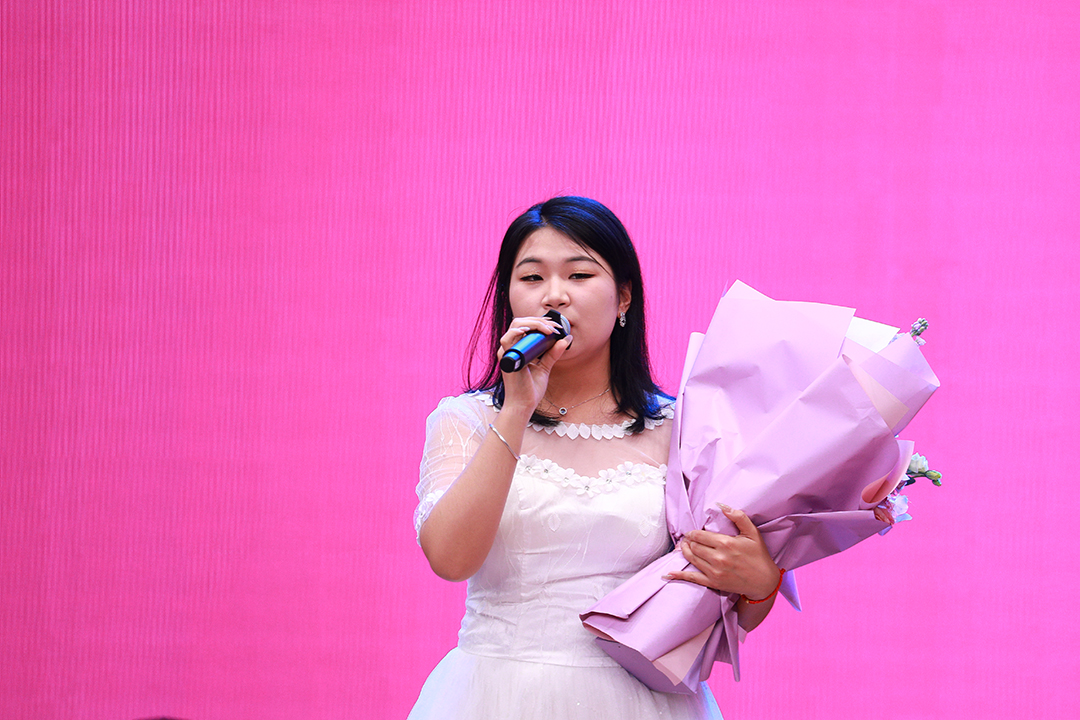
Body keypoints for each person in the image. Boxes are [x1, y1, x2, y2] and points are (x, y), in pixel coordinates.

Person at [409, 197, 782, 720]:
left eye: (579, 275)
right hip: (496, 693)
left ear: (624, 296)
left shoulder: (684, 429)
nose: (554, 296)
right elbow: (450, 560)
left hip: (644, 701)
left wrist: (762, 584)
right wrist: (516, 409)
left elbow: (716, 602)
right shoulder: (466, 419)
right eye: (532, 278)